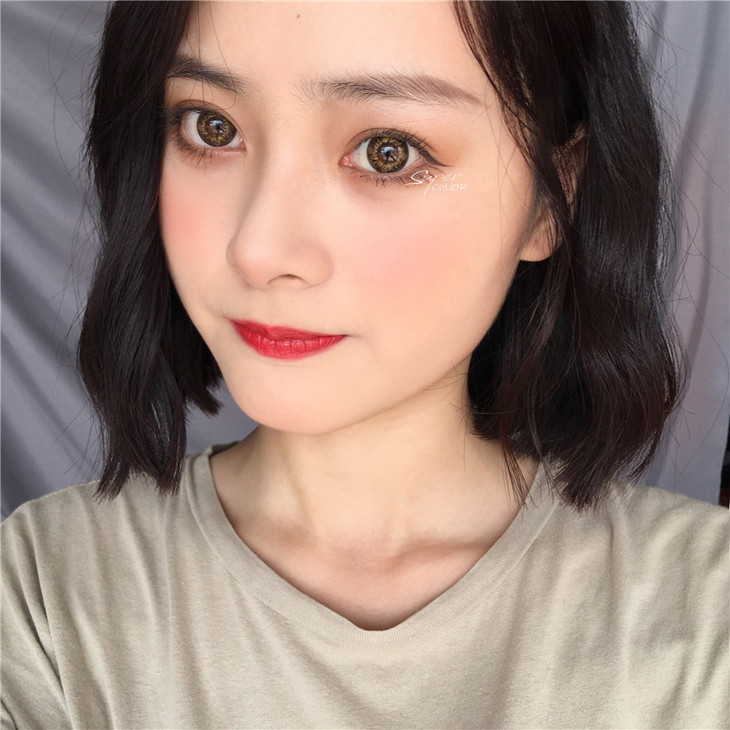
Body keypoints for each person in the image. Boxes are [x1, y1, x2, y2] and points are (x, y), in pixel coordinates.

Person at [1, 1, 727, 728]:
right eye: (210, 127)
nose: (258, 249)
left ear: (552, 197)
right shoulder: (41, 594)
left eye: (388, 152)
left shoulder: (707, 607)